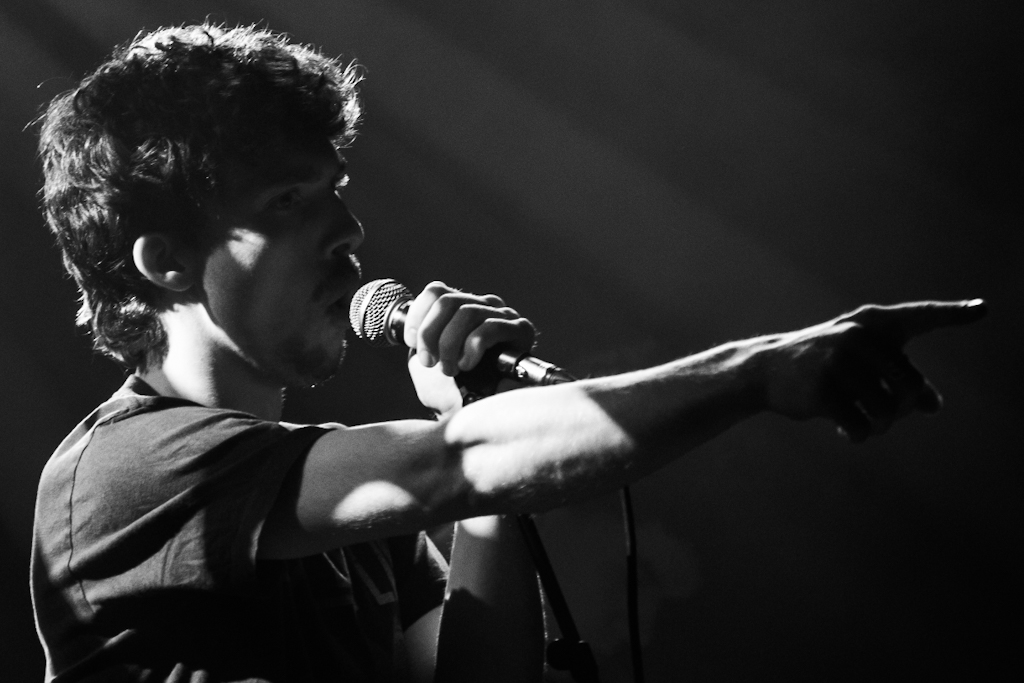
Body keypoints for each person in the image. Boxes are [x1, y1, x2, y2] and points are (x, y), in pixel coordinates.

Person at [30, 22, 985, 683]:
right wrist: (760, 371)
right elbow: (453, 467)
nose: (349, 232)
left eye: (336, 192)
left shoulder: (358, 515)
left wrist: (477, 424)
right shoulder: (119, 473)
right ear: (167, 262)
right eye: (289, 202)